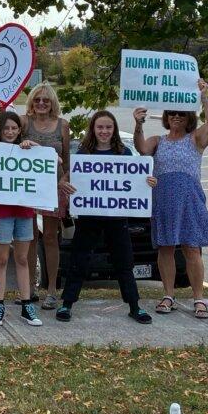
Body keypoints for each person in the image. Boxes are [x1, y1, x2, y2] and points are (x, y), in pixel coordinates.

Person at [58, 111, 154, 324]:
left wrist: (147, 183)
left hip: (117, 217)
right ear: (93, 129)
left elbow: (138, 179)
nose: (104, 131)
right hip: (89, 216)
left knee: (124, 262)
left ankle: (134, 306)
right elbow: (66, 179)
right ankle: (67, 303)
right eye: (100, 127)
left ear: (114, 130)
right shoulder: (83, 154)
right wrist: (63, 183)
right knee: (79, 260)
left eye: (108, 127)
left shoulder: (124, 153)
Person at [133, 78, 208, 319]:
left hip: (189, 200)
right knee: (166, 248)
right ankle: (168, 294)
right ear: (167, 117)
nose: (176, 117)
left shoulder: (195, 139)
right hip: (163, 201)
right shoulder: (158, 141)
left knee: (192, 248)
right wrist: (138, 124)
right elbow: (141, 148)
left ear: (189, 116)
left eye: (181, 113)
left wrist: (204, 97)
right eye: (172, 113)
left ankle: (198, 298)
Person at [0, 111, 44, 328]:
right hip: (1, 211)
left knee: (21, 258)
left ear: (20, 130)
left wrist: (34, 145)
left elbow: (54, 159)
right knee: (1, 258)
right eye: (6, 128)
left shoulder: (26, 150)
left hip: (24, 211)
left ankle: (26, 305)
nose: (10, 132)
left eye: (14, 128)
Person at [21, 82, 71, 310]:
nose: (41, 103)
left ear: (52, 103)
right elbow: (6, 142)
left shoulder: (62, 126)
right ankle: (29, 288)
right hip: (27, 187)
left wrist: (64, 179)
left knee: (50, 237)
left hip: (53, 188)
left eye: (46, 100)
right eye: (37, 99)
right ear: (31, 101)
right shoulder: (24, 123)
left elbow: (69, 161)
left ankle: (51, 290)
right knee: (29, 238)